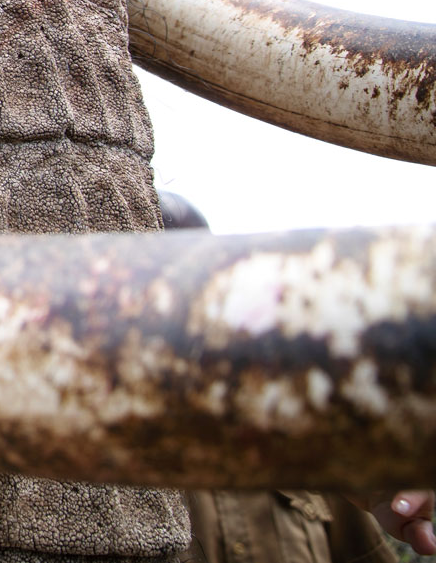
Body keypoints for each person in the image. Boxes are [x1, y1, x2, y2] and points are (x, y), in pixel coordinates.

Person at [158, 192, 434, 563]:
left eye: (201, 275)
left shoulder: (302, 446)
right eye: (157, 282)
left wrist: (381, 475)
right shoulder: (90, 456)